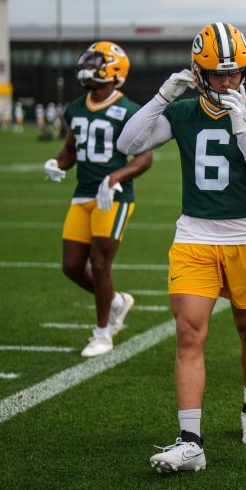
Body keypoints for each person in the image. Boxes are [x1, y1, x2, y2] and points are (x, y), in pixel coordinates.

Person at [118, 22, 246, 474]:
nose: (228, 82)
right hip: (195, 235)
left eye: (234, 74)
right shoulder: (186, 112)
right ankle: (190, 440)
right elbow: (127, 143)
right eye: (217, 75)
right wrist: (162, 96)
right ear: (199, 73)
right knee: (189, 334)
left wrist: (240, 127)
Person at [42, 41, 152, 357]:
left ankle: (103, 333)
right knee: (71, 266)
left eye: (96, 61)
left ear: (114, 69)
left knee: (100, 263)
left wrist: (116, 177)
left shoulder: (130, 110)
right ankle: (117, 301)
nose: (88, 66)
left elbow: (144, 158)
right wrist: (57, 163)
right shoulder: (75, 108)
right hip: (83, 194)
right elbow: (71, 150)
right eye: (88, 60)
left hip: (114, 197)